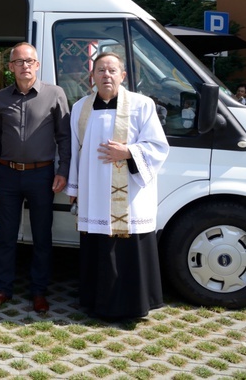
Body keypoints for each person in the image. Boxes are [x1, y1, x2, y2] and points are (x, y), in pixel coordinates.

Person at [65, 52, 169, 321]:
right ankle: (95, 302)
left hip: (130, 195)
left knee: (127, 249)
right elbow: (75, 152)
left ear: (123, 76)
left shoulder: (142, 105)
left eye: (112, 70)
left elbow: (158, 146)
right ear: (93, 76)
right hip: (94, 193)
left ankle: (133, 306)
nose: (106, 75)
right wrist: (74, 190)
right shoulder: (80, 108)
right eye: (100, 70)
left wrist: (129, 152)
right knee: (97, 246)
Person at [0, 43, 71, 313]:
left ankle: (39, 291)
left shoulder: (55, 94)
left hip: (41, 175)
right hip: (7, 174)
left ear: (37, 64)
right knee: (6, 236)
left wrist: (63, 170)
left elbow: (64, 137)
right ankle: (3, 289)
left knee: (42, 236)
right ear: (10, 67)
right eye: (18, 62)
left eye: (29, 61)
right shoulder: (0, 98)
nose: (24, 66)